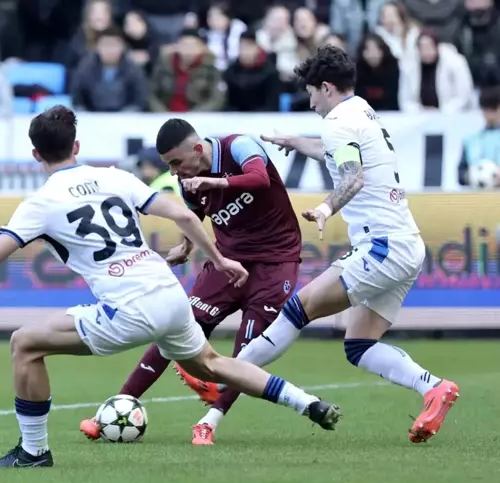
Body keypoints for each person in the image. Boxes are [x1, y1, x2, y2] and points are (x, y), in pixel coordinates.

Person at [0, 105, 341, 467]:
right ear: (76, 145)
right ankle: (308, 402)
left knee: (24, 344)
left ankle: (33, 452)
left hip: (128, 308)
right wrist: (217, 257)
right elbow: (180, 213)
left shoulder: (39, 203)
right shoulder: (115, 177)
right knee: (215, 363)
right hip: (167, 294)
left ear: (37, 155)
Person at [180, 46, 459, 444]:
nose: (310, 102)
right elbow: (338, 152)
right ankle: (434, 387)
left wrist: (328, 207)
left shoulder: (337, 123)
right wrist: (298, 141)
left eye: (311, 93)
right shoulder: (361, 110)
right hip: (406, 245)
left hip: (380, 246)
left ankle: (221, 373)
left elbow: (353, 175)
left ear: (326, 87)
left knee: (298, 309)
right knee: (360, 345)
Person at [80, 118, 340, 446]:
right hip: (227, 263)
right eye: (168, 165)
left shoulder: (239, 146)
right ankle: (110, 412)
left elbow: (259, 179)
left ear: (198, 149)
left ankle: (208, 422)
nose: (174, 172)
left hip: (275, 264)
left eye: (176, 162)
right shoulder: (190, 182)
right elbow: (196, 216)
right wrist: (186, 248)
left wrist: (215, 184)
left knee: (246, 355)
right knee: (171, 329)